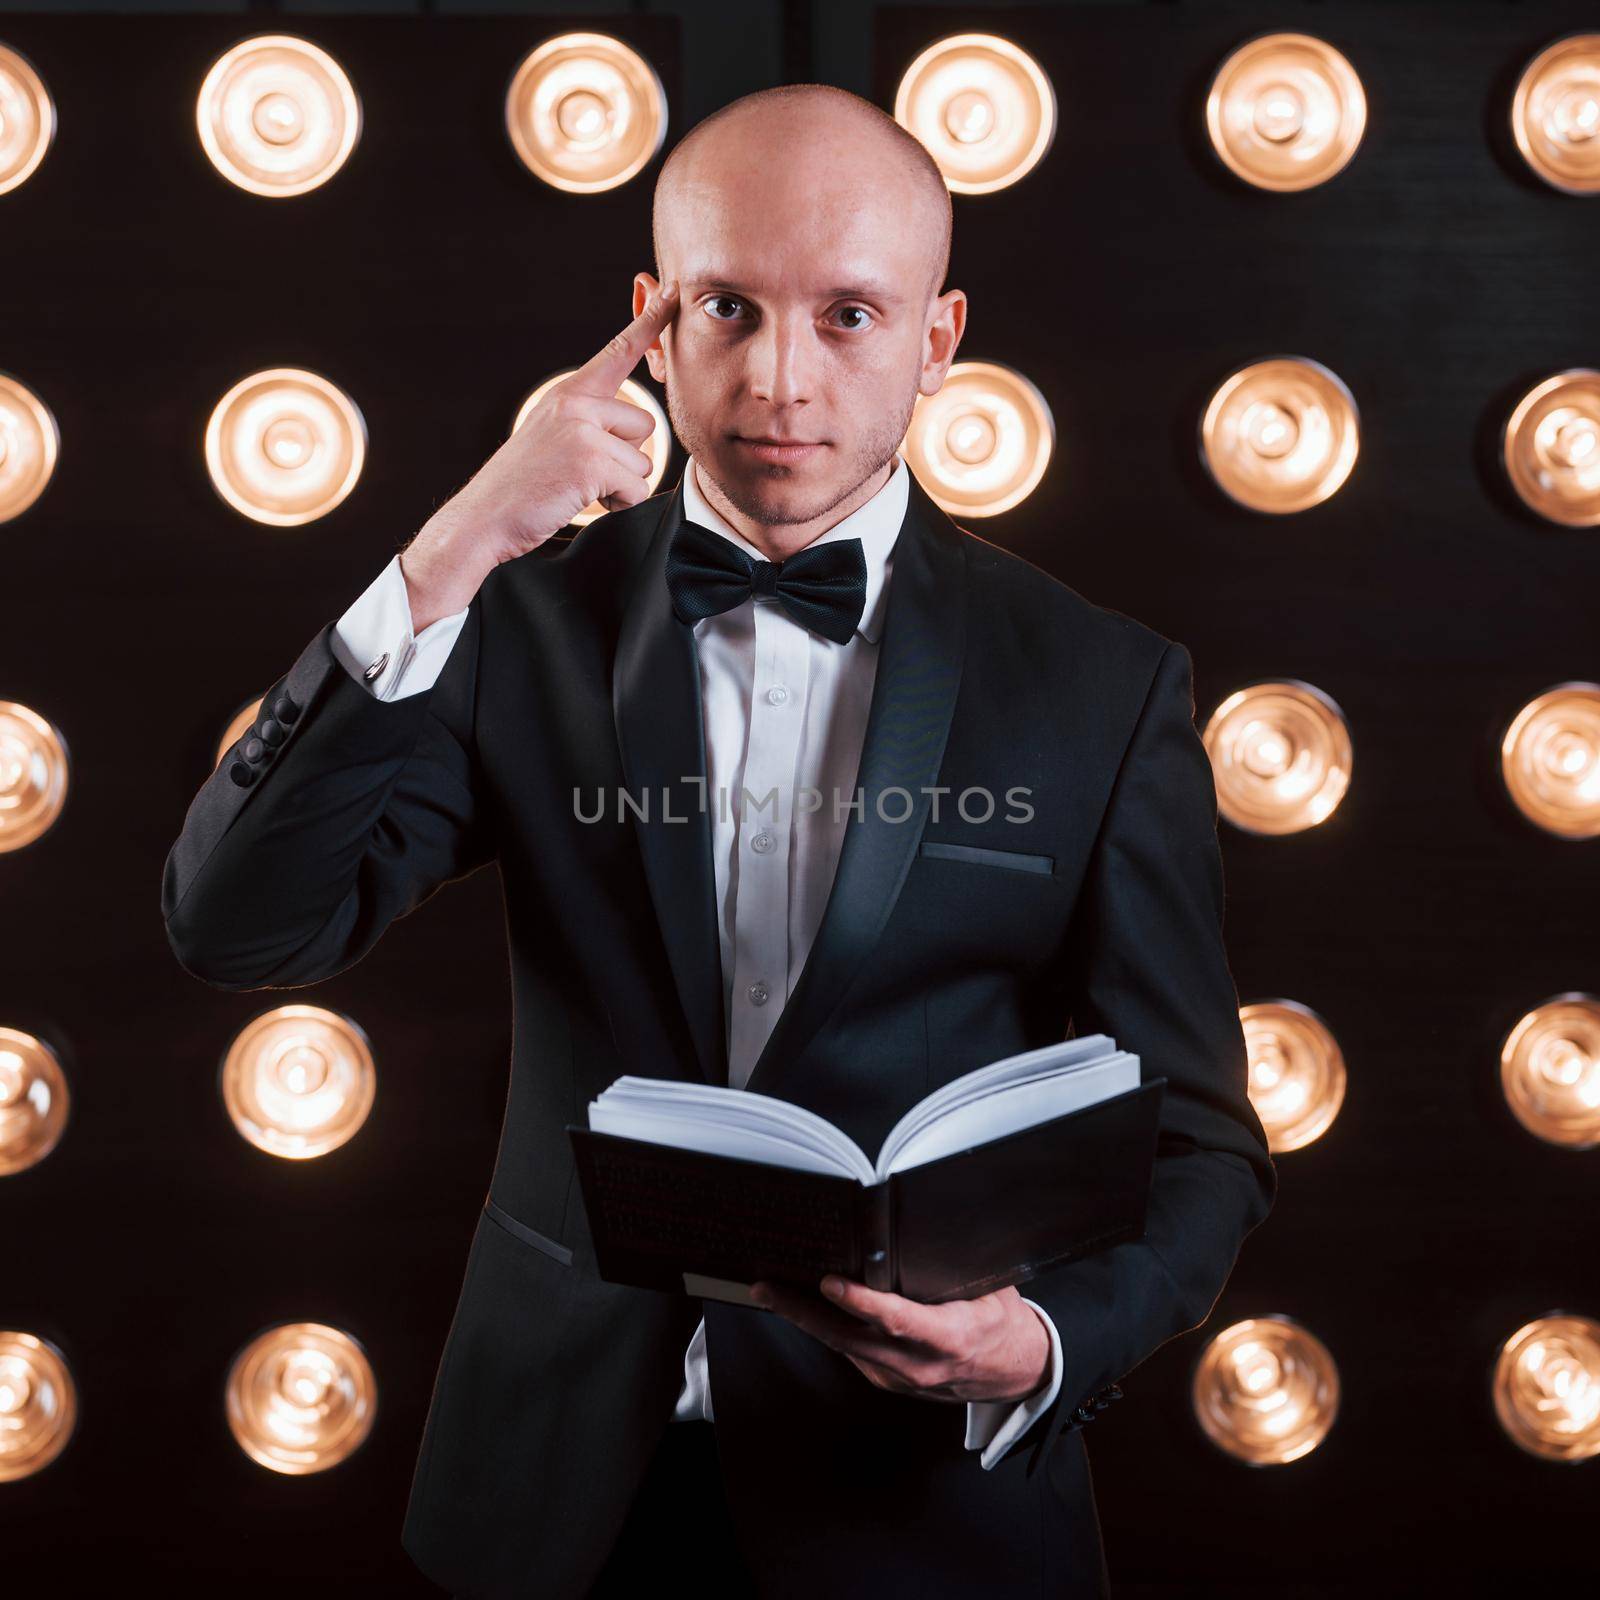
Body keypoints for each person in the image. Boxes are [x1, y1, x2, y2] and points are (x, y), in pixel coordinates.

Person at [162, 83, 1276, 1599]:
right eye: (730, 309)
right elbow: (236, 926)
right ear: (651, 320)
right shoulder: (512, 623)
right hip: (551, 1501)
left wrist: (1049, 1339)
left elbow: (1205, 1140)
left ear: (940, 340)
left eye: (850, 317)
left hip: (920, 1515)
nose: (780, 381)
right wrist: (457, 546)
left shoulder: (1101, 683)